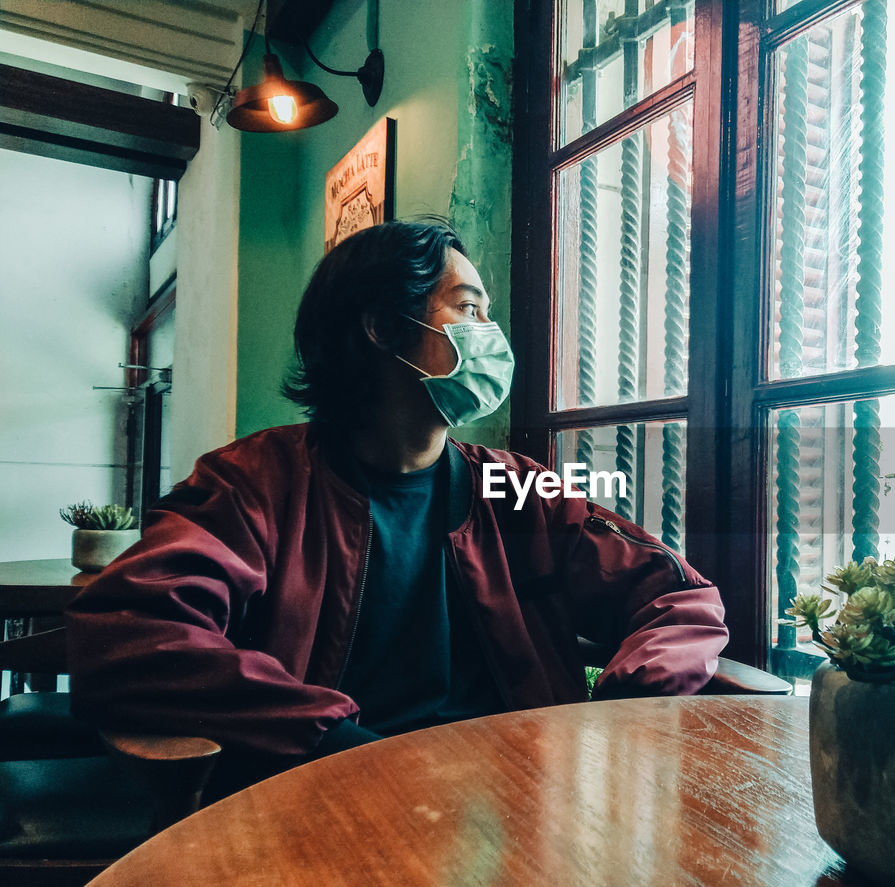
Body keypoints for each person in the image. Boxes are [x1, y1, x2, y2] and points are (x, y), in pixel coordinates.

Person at [67, 218, 729, 795]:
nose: (490, 334)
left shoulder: (520, 488)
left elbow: (682, 599)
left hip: (519, 798)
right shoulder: (253, 485)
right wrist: (325, 738)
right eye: (468, 309)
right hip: (322, 794)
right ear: (383, 328)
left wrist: (623, 704)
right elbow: (129, 635)